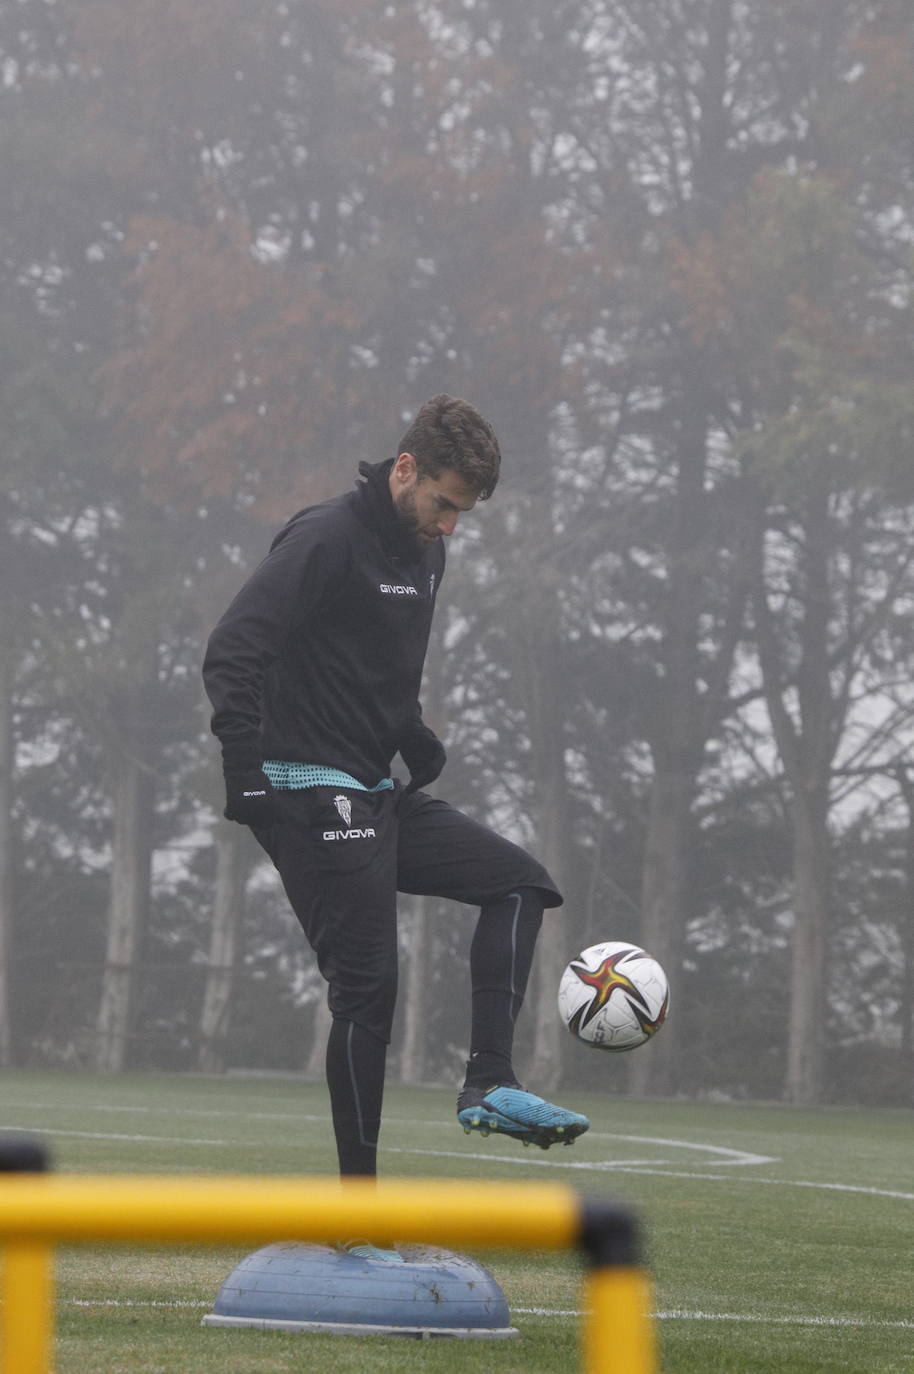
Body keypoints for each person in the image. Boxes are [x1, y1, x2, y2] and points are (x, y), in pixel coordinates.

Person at [202, 394, 589, 1212]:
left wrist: (409, 731)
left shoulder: (427, 553)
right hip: (305, 793)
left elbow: (359, 659)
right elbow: (234, 648)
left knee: (521, 884)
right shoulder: (325, 538)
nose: (449, 525)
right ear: (404, 469)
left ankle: (488, 1081)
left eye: (463, 514)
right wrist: (244, 770)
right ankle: (359, 1213)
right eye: (443, 504)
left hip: (375, 793)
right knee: (369, 991)